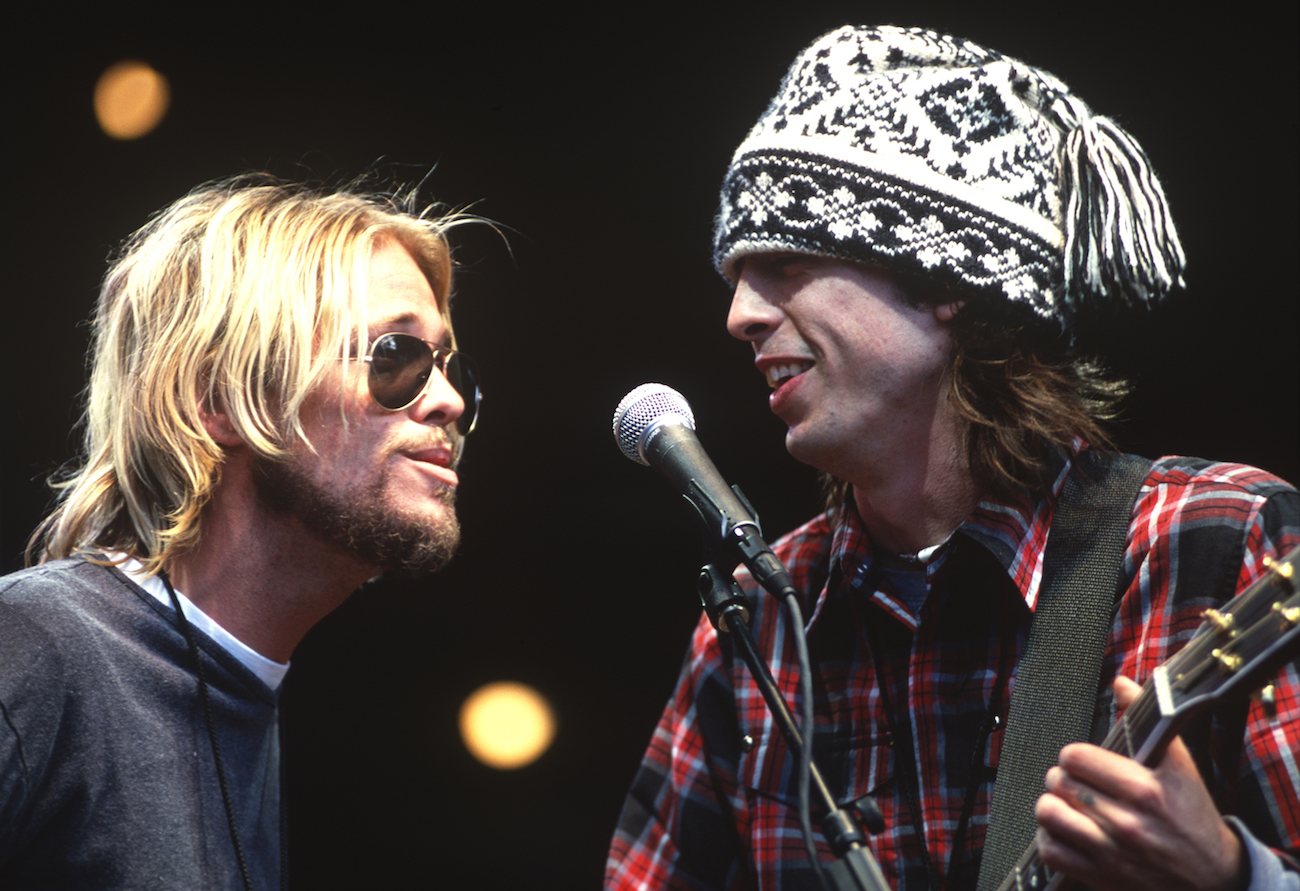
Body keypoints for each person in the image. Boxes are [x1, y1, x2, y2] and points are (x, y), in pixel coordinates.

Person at [607, 25, 1299, 891]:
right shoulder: (756, 619)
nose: (740, 313)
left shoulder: (1216, 541)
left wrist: (1232, 875)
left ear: (942, 283)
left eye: (782, 263)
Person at [0, 175, 483, 889]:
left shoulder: (264, 707)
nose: (447, 400)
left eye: (451, 368)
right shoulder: (34, 644)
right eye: (395, 356)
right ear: (222, 398)